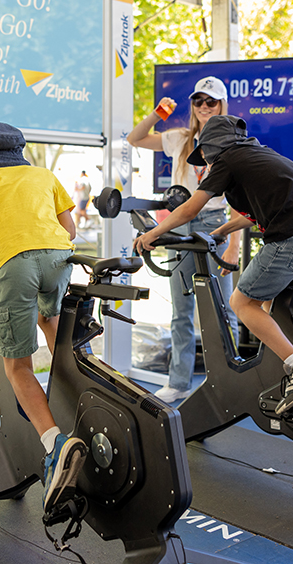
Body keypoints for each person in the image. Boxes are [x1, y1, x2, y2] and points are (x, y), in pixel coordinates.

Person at [133, 115, 293, 416]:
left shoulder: (227, 159)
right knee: (268, 301)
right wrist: (221, 231)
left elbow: (192, 207)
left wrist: (152, 233)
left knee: (241, 303)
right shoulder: (259, 155)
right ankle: (289, 364)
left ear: (212, 146)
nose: (203, 161)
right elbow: (251, 214)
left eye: (203, 154)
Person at [0, 121, 88, 512]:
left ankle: (55, 444)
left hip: (14, 264)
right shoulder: (44, 175)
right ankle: (82, 400)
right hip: (60, 259)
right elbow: (69, 227)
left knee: (18, 367)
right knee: (51, 323)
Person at [127, 76, 239, 403]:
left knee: (221, 308)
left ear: (222, 106)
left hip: (216, 225)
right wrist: (158, 113)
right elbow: (135, 139)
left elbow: (239, 201)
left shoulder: (232, 143)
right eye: (199, 101)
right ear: (192, 105)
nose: (204, 107)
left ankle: (229, 383)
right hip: (180, 224)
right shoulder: (178, 138)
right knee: (181, 307)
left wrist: (232, 246)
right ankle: (179, 381)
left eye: (212, 101)